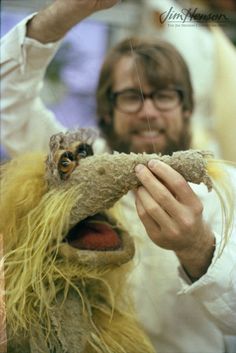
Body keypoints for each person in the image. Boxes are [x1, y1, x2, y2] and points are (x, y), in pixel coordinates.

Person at [1, 1, 236, 352]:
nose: (148, 111)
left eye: (165, 96)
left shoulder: (227, 187)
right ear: (105, 111)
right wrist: (71, 9)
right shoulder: (74, 168)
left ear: (187, 108)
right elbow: (8, 100)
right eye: (131, 97)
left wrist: (197, 248)